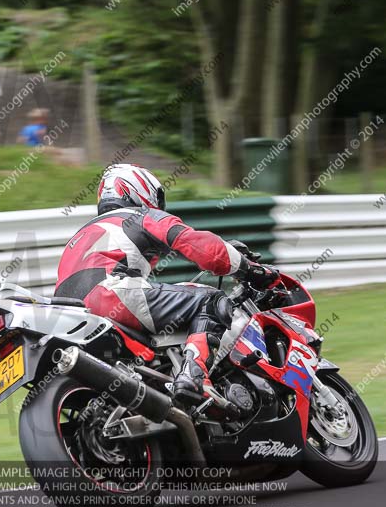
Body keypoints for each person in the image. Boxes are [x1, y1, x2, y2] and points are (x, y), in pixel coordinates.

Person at [54, 163, 279, 402]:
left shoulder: (79, 236)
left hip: (70, 314)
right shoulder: (140, 217)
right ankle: (194, 377)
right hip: (110, 296)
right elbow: (204, 249)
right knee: (210, 299)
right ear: (139, 190)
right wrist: (249, 268)